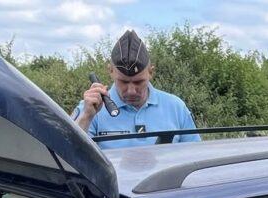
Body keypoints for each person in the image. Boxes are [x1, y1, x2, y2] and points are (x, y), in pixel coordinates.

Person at [72, 30, 200, 149]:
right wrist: (86, 117)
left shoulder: (176, 107)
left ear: (151, 72)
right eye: (123, 82)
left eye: (139, 82)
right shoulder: (90, 108)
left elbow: (195, 156)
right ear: (110, 71)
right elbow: (69, 154)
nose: (131, 90)